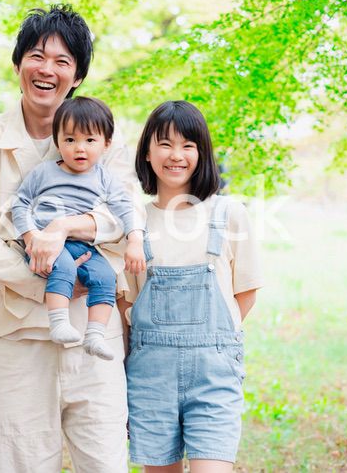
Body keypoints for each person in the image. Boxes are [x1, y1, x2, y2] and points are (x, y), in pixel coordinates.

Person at [0, 4, 140, 472]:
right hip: (15, 341)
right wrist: (51, 283)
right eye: (38, 56)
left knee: (105, 463)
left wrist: (62, 227)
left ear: (77, 75)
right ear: (18, 63)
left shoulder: (107, 139)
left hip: (92, 338)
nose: (48, 70)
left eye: (63, 62)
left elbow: (124, 221)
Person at [122, 101, 263, 472]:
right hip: (150, 375)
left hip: (214, 374)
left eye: (188, 145)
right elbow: (128, 305)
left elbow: (244, 295)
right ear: (147, 153)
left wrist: (209, 342)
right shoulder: (135, 221)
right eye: (165, 144)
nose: (176, 155)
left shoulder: (229, 213)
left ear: (202, 152)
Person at [11, 96, 145, 361]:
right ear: (57, 141)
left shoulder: (104, 177)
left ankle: (95, 334)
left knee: (106, 275)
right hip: (46, 243)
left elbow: (126, 208)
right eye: (70, 140)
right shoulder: (44, 172)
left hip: (83, 244)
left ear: (106, 144)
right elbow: (20, 204)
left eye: (90, 140)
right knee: (64, 266)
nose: (79, 148)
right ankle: (58, 322)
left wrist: (135, 240)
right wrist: (31, 238)